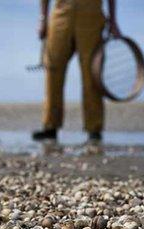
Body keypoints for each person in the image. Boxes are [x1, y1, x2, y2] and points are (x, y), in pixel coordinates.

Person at [32, 0, 121, 142]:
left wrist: (113, 20)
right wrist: (43, 19)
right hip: (61, 13)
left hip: (91, 15)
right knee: (53, 69)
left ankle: (94, 129)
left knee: (91, 73)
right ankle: (50, 127)